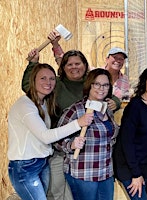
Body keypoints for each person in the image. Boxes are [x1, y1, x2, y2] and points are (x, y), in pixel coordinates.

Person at [22, 32, 121, 200]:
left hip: (101, 168)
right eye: (70, 64)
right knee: (59, 192)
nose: (74, 67)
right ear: (63, 67)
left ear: (85, 66)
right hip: (67, 155)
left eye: (78, 63)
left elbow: (107, 93)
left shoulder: (96, 89)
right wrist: (33, 64)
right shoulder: (58, 86)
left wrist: (116, 102)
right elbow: (30, 86)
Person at [8, 63, 93, 200]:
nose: (48, 82)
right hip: (24, 167)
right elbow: (45, 137)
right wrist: (78, 123)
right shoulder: (25, 105)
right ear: (33, 80)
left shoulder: (44, 102)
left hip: (41, 162)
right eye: (43, 78)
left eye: (52, 78)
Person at [57, 68, 119, 200]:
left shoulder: (107, 109)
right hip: (84, 173)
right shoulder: (76, 110)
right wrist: (71, 145)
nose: (101, 88)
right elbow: (57, 140)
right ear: (89, 85)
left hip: (106, 173)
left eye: (105, 85)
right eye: (97, 84)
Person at [113, 67, 147, 199]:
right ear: (144, 83)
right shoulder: (135, 106)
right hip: (128, 164)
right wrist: (136, 174)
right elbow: (126, 142)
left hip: (146, 161)